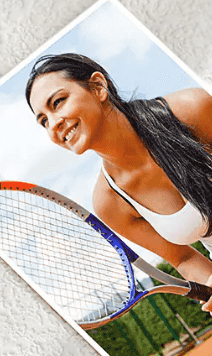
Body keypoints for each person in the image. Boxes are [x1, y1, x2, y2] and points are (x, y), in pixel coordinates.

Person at [25, 53, 212, 311]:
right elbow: (184, 258)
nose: (54, 124)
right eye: (43, 120)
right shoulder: (108, 203)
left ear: (98, 87)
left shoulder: (190, 109)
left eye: (58, 102)